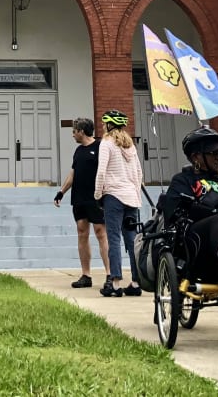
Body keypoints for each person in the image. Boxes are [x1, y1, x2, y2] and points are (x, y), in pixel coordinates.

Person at [163, 125, 218, 283]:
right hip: (199, 252)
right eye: (214, 153)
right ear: (196, 157)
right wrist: (216, 211)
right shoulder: (182, 181)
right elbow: (176, 212)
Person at [93, 109, 144, 297]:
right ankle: (136, 282)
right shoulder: (130, 145)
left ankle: (115, 283)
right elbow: (139, 173)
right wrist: (135, 193)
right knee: (132, 240)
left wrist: (98, 194)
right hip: (131, 197)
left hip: (113, 196)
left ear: (109, 125)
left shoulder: (106, 143)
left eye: (105, 123)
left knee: (113, 238)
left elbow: (101, 171)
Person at [54, 117, 109, 288]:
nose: (72, 135)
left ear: (81, 131)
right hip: (79, 198)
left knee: (101, 232)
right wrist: (61, 192)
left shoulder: (100, 147)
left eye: (74, 131)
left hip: (97, 197)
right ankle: (86, 275)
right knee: (81, 232)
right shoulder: (78, 151)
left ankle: (109, 274)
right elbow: (73, 174)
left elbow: (108, 171)